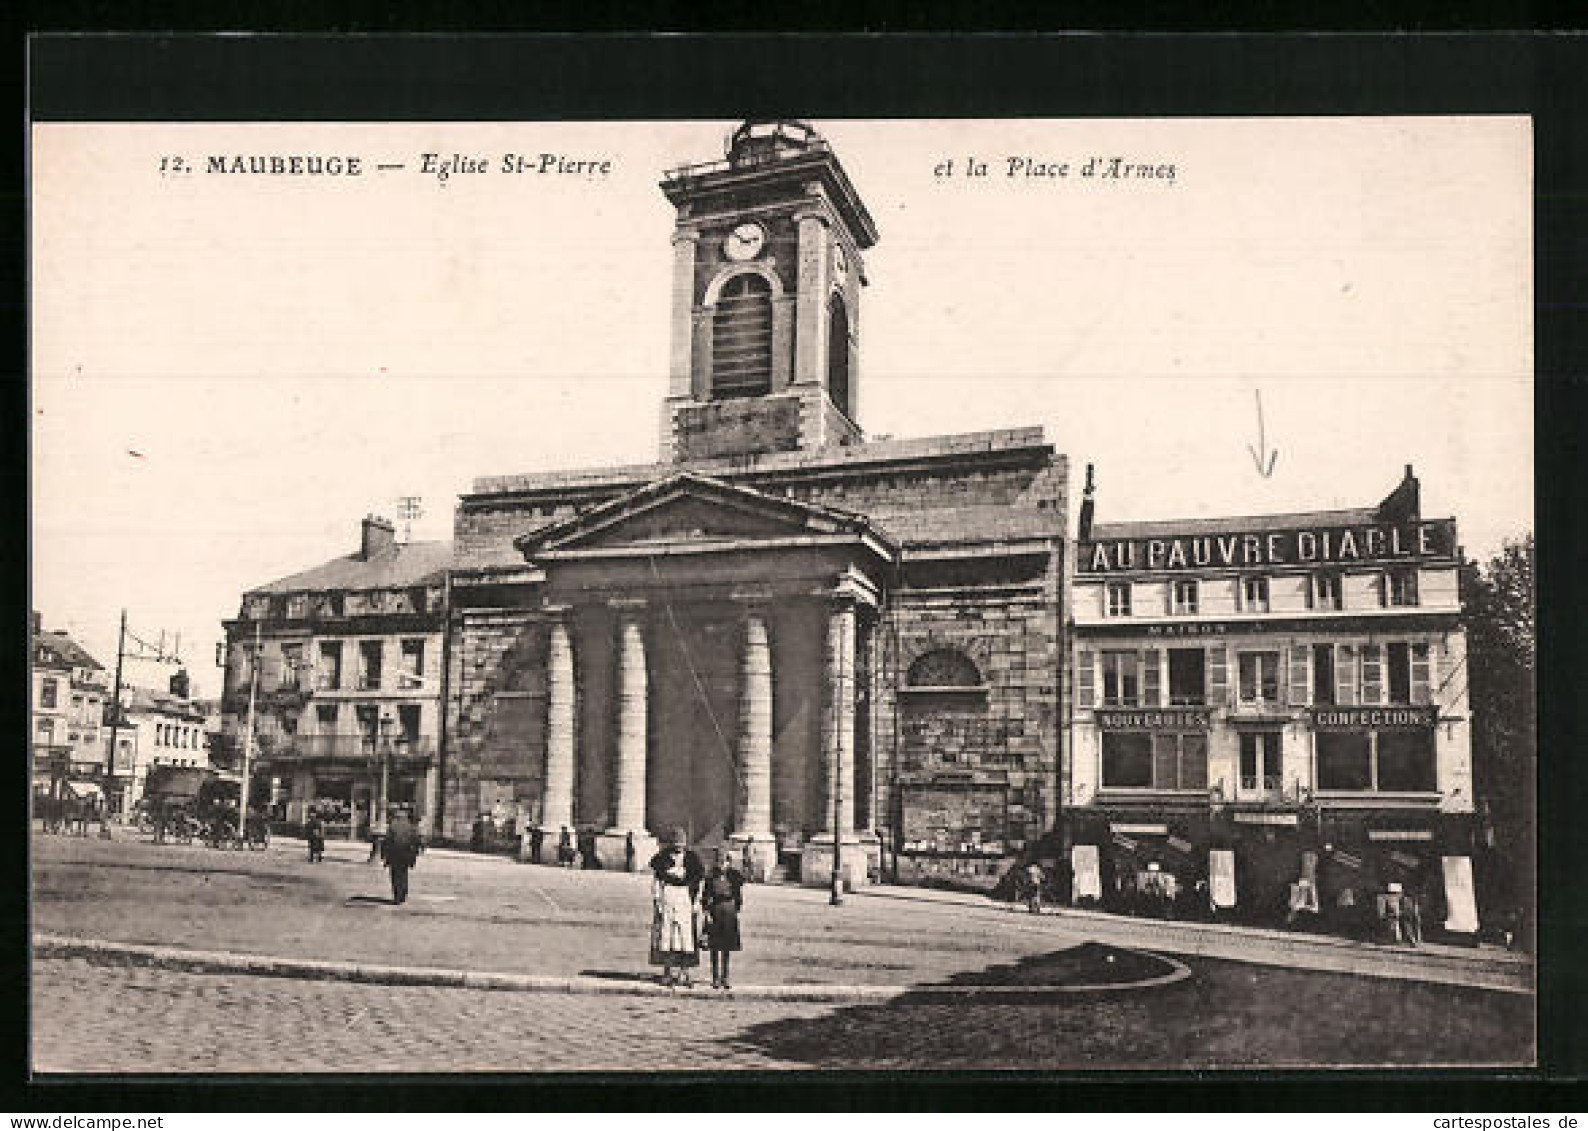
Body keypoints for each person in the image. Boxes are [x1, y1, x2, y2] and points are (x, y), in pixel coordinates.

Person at [648, 827, 704, 987]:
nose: (679, 846)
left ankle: (684, 972)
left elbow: (699, 881)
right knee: (667, 934)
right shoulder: (662, 858)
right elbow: (657, 881)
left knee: (685, 935)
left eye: (682, 843)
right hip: (668, 896)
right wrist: (657, 900)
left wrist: (696, 901)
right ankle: (667, 972)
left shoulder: (692, 859)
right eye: (676, 843)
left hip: (685, 896)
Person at [701, 846, 745, 989]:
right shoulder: (711, 875)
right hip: (715, 909)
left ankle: (725, 977)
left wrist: (735, 909)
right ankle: (715, 977)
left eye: (725, 859)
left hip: (729, 910)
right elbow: (705, 896)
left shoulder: (734, 875)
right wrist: (707, 912)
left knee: (727, 946)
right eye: (720, 859)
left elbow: (738, 896)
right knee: (714, 946)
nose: (722, 862)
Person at [385, 805, 422, 904]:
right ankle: (403, 895)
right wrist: (417, 850)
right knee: (403, 874)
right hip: (406, 853)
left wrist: (384, 855)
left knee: (395, 875)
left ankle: (397, 896)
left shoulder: (393, 824)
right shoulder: (411, 825)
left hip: (394, 853)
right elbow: (416, 838)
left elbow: (388, 840)